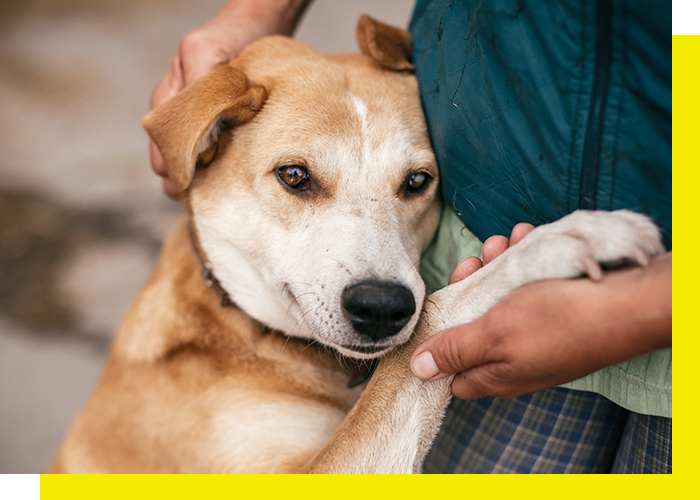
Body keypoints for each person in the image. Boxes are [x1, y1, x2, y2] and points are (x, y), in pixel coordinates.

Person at [149, 0, 672, 473]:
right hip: (504, 281)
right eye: (297, 178)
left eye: (413, 182)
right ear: (209, 140)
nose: (376, 280)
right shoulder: (175, 373)